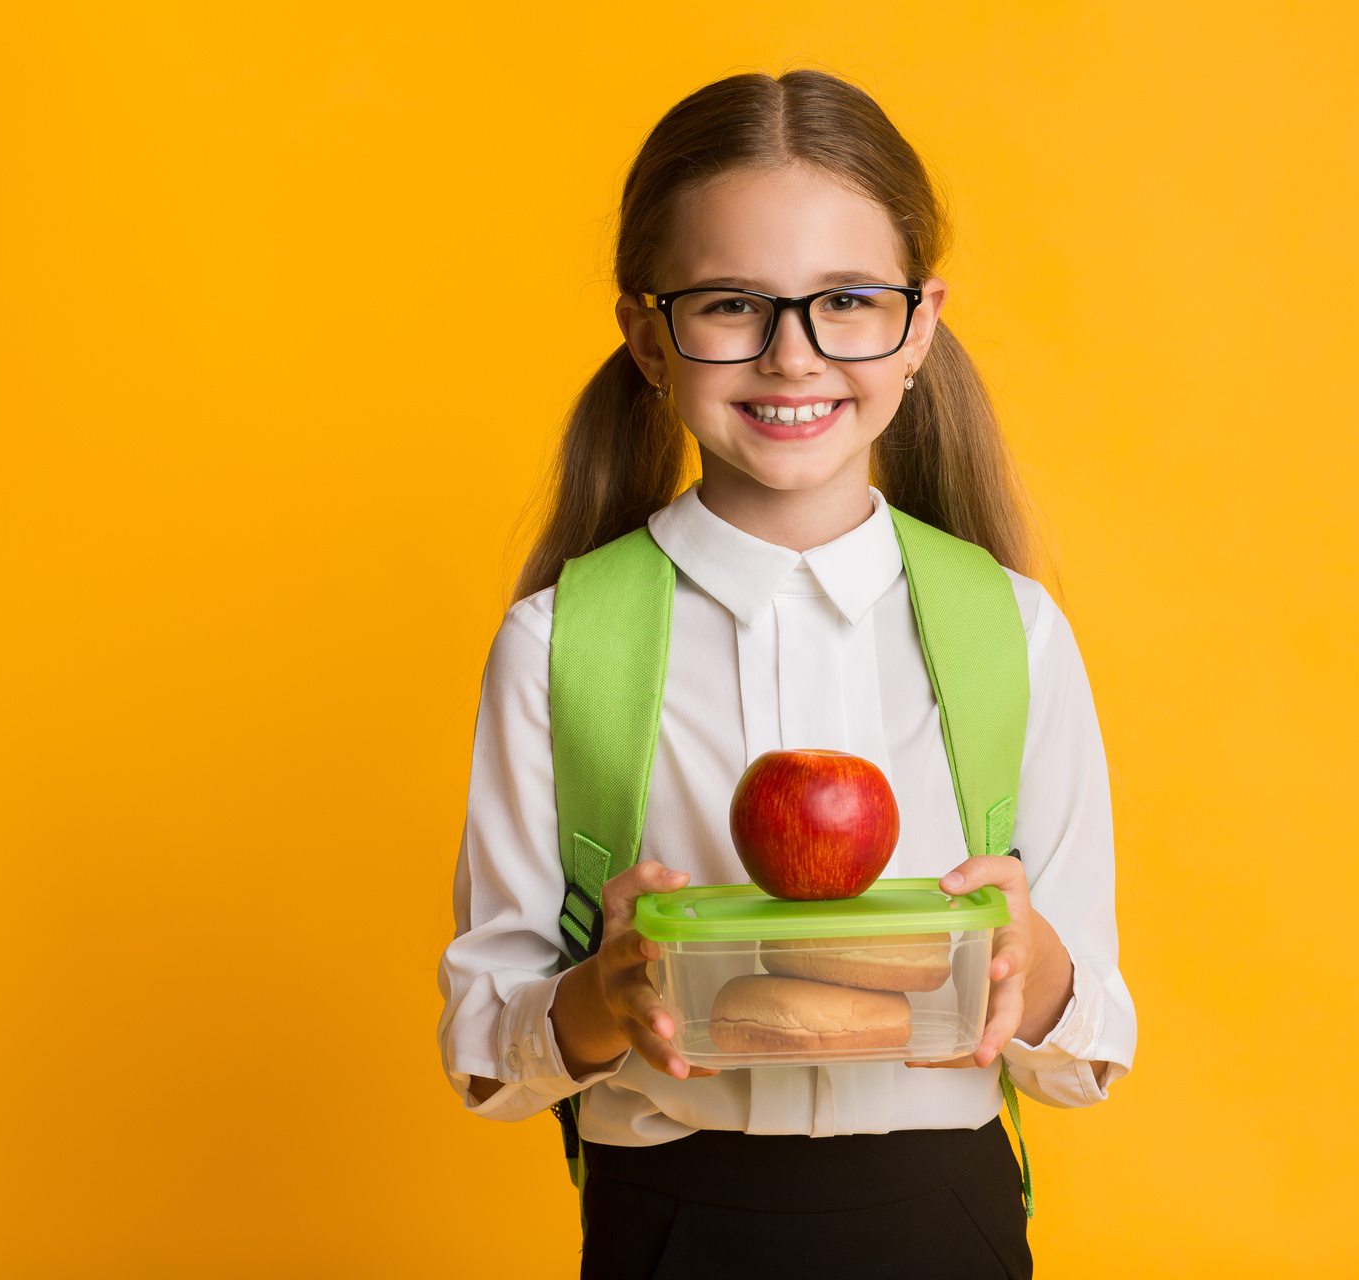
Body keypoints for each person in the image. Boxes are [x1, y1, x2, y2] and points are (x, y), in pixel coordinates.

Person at [437, 69, 1135, 1279]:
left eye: (848, 301)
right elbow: (486, 1051)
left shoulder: (1009, 630)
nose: (791, 354)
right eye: (731, 305)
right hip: (675, 1223)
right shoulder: (563, 644)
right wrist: (610, 993)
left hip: (944, 1222)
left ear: (917, 328)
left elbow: (1091, 1050)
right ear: (652, 339)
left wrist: (1029, 960)